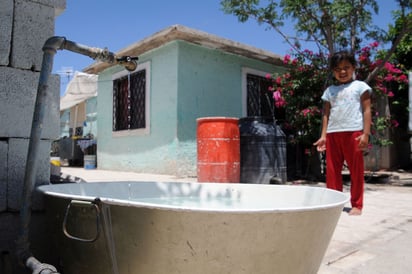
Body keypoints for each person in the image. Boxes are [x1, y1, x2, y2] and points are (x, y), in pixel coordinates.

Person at [313, 50, 372, 216]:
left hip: (354, 133)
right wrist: (323, 136)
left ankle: (357, 204)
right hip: (333, 134)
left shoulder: (360, 87)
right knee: (332, 172)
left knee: (356, 171)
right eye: (338, 69)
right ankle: (334, 204)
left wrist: (365, 134)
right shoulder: (330, 91)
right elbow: (326, 114)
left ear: (354, 68)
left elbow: (367, 110)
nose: (342, 71)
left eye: (346, 67)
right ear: (333, 71)